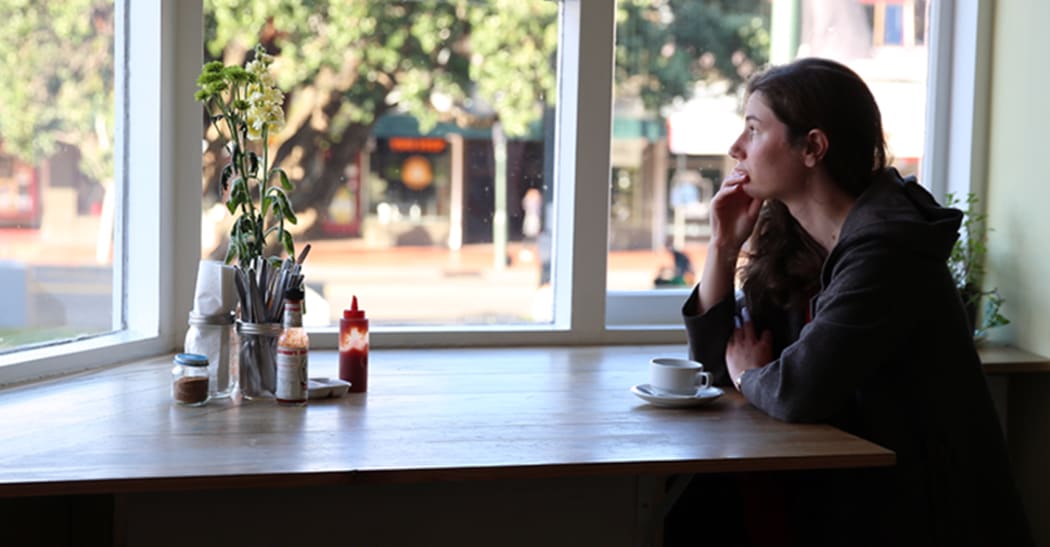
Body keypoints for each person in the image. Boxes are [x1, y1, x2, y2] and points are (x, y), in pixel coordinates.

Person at [672, 58, 1033, 546]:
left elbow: (795, 388)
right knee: (695, 508)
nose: (736, 148)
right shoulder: (793, 242)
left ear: (813, 147)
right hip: (844, 491)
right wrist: (722, 247)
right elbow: (717, 366)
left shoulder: (888, 248)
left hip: (922, 507)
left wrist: (746, 374)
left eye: (754, 130)